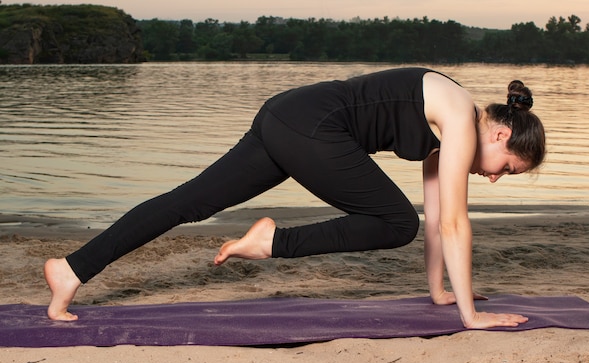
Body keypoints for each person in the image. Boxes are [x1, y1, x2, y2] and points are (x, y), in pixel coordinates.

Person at [44, 67, 546, 328]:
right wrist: (471, 315)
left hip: (288, 115)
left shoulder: (450, 131)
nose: (496, 178)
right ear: (501, 136)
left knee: (189, 202)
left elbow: (440, 218)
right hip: (313, 126)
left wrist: (442, 294)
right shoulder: (460, 115)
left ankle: (71, 268)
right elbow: (457, 224)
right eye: (507, 169)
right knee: (396, 222)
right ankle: (270, 241)